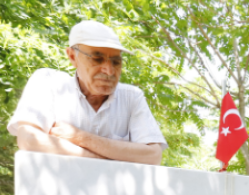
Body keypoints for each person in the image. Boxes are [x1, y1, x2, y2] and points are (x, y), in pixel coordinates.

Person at [7, 20, 165, 164]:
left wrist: (80, 137)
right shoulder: (48, 82)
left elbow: (152, 155)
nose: (109, 71)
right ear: (72, 56)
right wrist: (104, 158)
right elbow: (29, 139)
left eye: (116, 62)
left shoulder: (131, 97)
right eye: (97, 59)